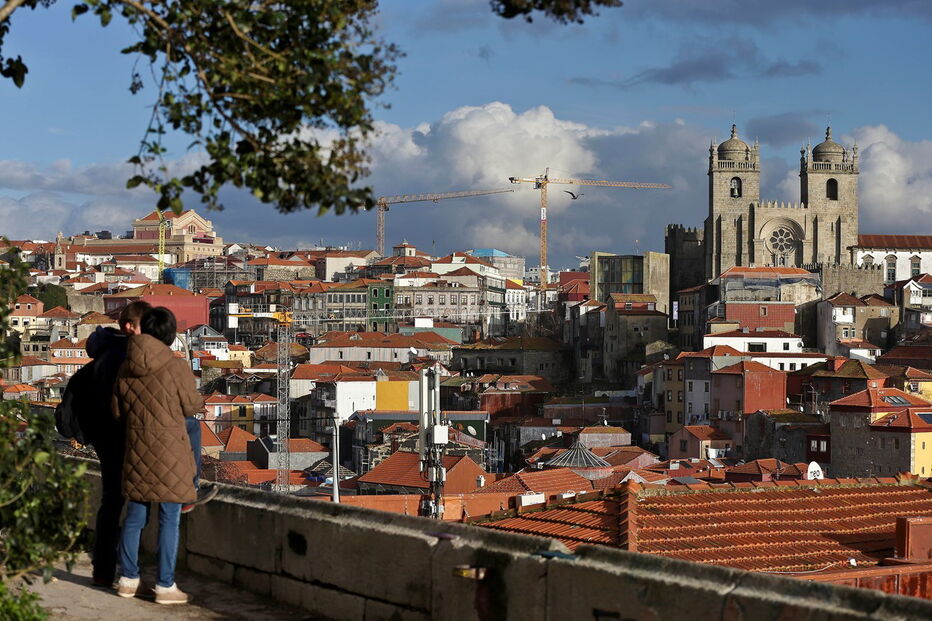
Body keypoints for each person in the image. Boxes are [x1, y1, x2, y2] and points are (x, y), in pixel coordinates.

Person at [113, 307, 201, 604]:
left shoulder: (125, 367)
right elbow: (191, 407)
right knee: (169, 520)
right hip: (171, 455)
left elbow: (116, 411)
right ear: (169, 334)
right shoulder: (176, 367)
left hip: (137, 449)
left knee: (135, 518)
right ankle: (164, 586)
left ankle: (127, 580)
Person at [83, 301, 151, 588]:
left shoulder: (102, 354)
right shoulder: (122, 357)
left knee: (110, 504)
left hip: (102, 436)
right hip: (124, 436)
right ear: (129, 327)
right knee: (136, 504)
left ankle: (103, 570)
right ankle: (129, 572)